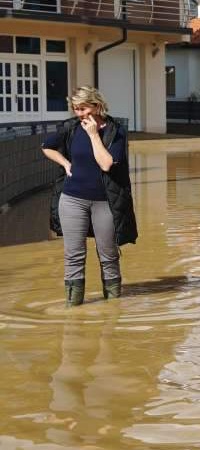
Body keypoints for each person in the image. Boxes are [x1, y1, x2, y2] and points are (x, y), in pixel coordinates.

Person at [42, 86, 138, 306]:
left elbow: (106, 164)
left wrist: (94, 135)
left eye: (83, 108)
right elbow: (46, 146)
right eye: (76, 109)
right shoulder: (71, 128)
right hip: (72, 200)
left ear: (96, 105)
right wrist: (66, 163)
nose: (79, 114)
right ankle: (73, 311)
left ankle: (113, 311)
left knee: (108, 256)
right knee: (73, 256)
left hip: (105, 202)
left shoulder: (116, 131)